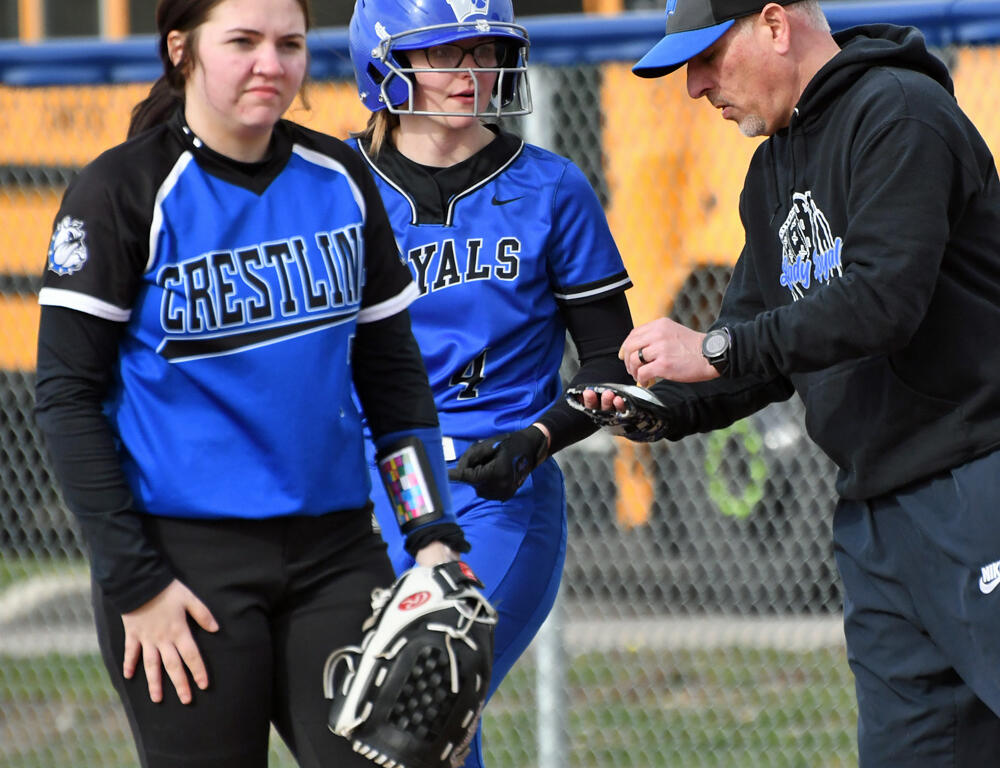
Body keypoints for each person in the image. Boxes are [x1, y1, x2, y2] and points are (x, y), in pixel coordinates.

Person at [33, 0, 469, 766]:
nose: (271, 63)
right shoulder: (122, 190)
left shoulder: (341, 180)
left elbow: (393, 380)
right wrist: (136, 583)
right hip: (184, 569)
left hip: (336, 553)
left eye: (289, 42)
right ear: (182, 49)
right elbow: (66, 399)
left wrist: (430, 533)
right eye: (242, 41)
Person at [576, 1, 1000, 765]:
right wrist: (660, 408)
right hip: (875, 519)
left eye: (708, 57)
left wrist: (714, 347)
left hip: (975, 484)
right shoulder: (773, 168)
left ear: (775, 25)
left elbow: (882, 301)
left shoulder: (900, 114)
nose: (695, 86)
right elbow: (759, 350)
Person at [345, 1, 635, 765]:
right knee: (395, 731)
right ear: (387, 62)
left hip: (492, 489)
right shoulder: (336, 185)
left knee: (424, 686)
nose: (471, 73)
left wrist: (535, 441)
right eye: (446, 53)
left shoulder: (551, 188)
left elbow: (609, 364)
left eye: (484, 51)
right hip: (364, 487)